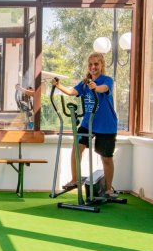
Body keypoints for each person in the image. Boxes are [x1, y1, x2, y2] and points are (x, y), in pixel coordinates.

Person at [19, 52, 119, 198]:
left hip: (106, 125)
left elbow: (104, 88)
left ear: (102, 65)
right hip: (88, 123)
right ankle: (75, 179)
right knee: (77, 147)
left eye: (96, 64)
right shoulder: (84, 83)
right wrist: (58, 85)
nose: (93, 67)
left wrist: (95, 87)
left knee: (106, 158)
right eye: (90, 64)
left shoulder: (107, 80)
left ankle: (108, 189)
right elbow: (72, 92)